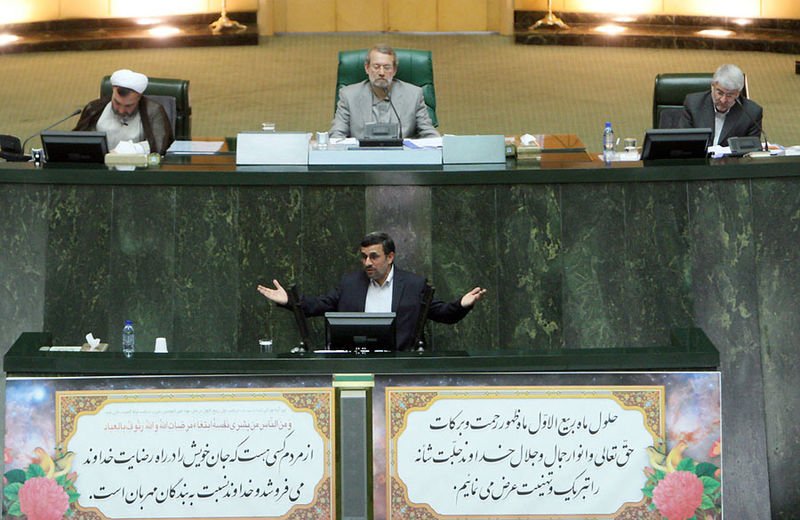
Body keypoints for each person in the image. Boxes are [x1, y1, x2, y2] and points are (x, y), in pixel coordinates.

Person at [257, 232, 486, 351]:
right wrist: (289, 300)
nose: (367, 262)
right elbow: (319, 306)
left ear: (390, 257)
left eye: (374, 256)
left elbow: (441, 313)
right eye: (364, 256)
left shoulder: (414, 285)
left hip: (399, 366)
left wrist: (462, 304)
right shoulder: (350, 284)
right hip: (356, 364)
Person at [329, 44, 440, 140]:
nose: (381, 73)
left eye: (387, 67)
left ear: (394, 70)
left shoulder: (413, 95)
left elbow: (429, 134)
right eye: (376, 67)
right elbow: (336, 135)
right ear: (367, 68)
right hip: (361, 159)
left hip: (402, 160)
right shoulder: (349, 95)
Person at [74, 69, 174, 154]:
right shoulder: (94, 108)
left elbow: (159, 145)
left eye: (128, 106)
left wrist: (128, 150)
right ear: (113, 90)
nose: (121, 110)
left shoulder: (153, 110)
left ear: (139, 97)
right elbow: (78, 140)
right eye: (117, 103)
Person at [679, 64, 763, 147]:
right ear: (712, 86)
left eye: (729, 95)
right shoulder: (693, 104)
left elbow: (751, 151)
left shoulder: (752, 113)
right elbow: (683, 141)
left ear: (738, 93)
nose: (723, 100)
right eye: (720, 93)